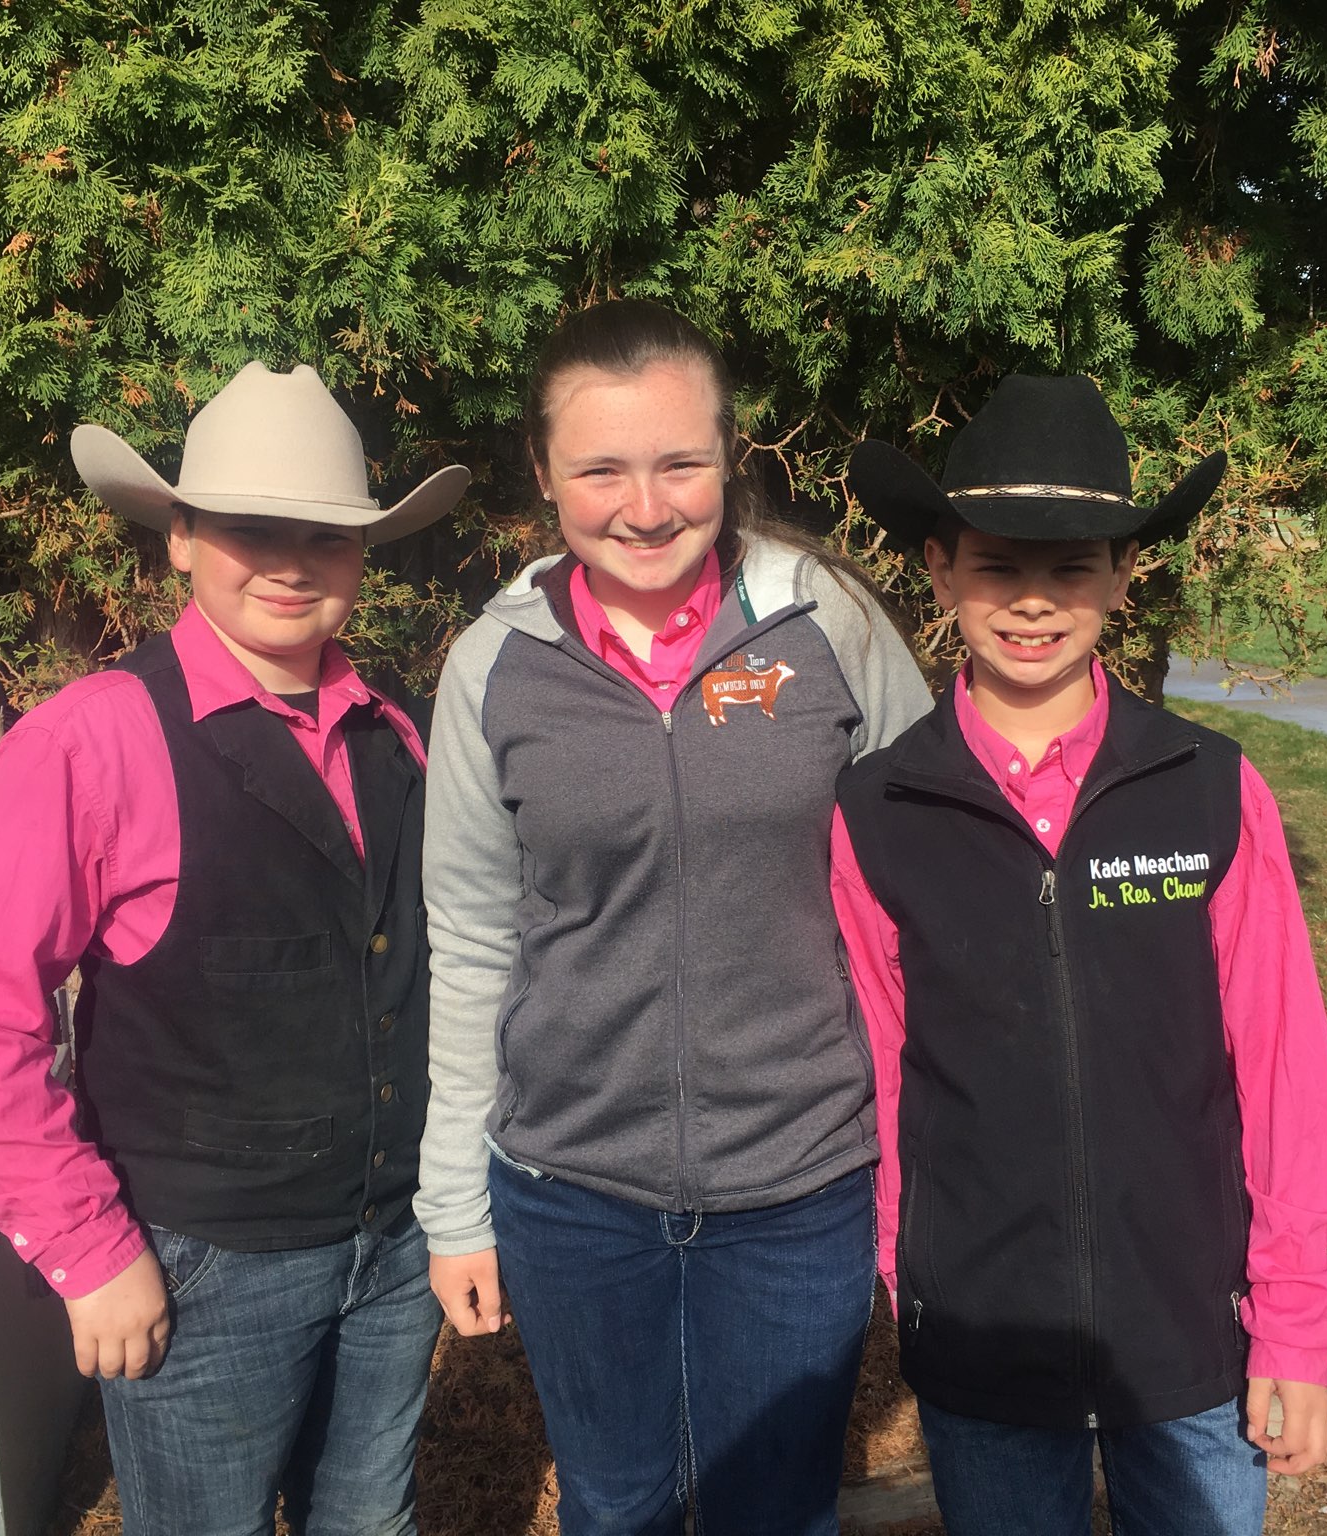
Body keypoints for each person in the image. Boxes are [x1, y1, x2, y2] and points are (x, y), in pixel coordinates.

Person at [0, 362, 469, 1536]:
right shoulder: (91, 741)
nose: (291, 562)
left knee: (370, 1521)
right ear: (179, 538)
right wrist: (84, 1249)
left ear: (362, 554)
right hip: (203, 1263)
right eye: (251, 528)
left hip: (393, 1245)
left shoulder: (399, 732)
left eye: (326, 534)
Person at [416, 299, 933, 1535]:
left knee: (777, 1508)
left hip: (798, 1180)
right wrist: (454, 1207)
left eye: (679, 463)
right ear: (543, 472)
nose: (645, 508)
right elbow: (473, 940)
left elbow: (927, 889)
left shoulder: (826, 624)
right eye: (600, 468)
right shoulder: (492, 666)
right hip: (571, 1192)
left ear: (728, 458)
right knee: (615, 1504)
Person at [831, 375, 1327, 1536]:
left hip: (1188, 1327)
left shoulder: (1208, 789)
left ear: (1123, 574)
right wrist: (904, 1272)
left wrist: (1292, 1316)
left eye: (1071, 567)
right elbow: (880, 1067)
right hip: (983, 1330)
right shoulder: (876, 809)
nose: (1032, 601)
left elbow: (1282, 1063)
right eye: (995, 566)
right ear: (938, 570)